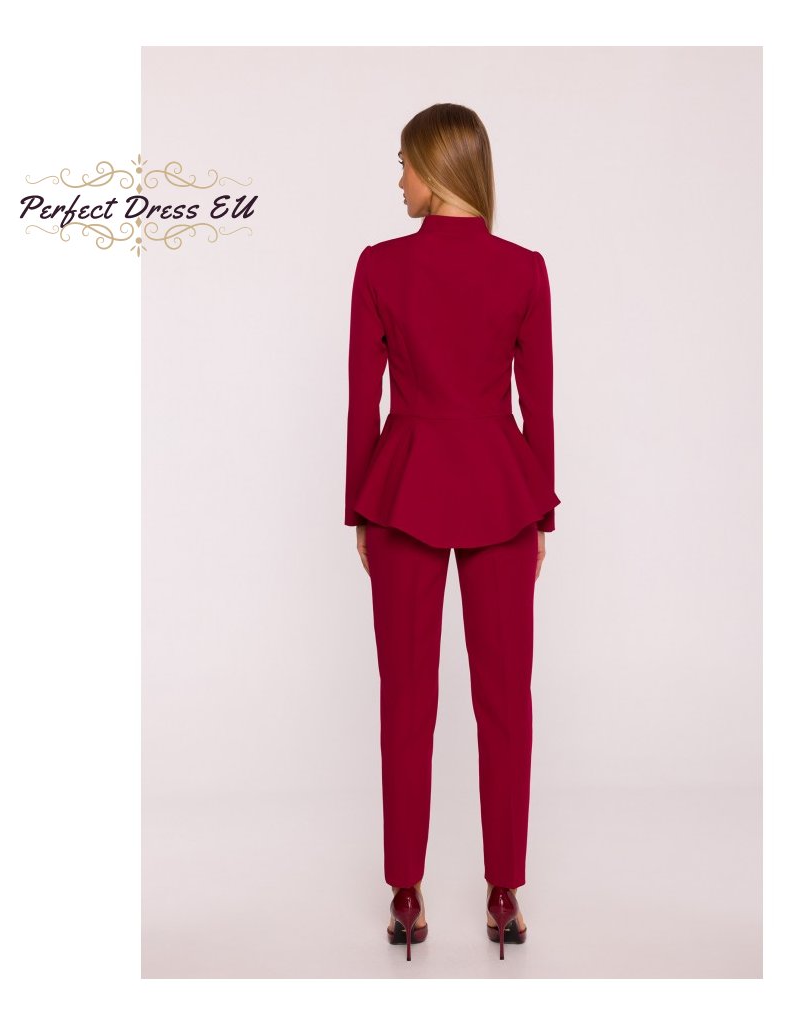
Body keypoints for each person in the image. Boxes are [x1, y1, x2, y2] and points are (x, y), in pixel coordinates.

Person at [344, 102, 560, 961]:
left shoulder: (379, 266)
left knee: (406, 700)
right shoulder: (524, 270)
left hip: (403, 490)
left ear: (435, 170)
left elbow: (363, 402)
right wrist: (540, 509)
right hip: (502, 493)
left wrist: (360, 507)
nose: (397, 180)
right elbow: (538, 403)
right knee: (506, 701)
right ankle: (504, 892)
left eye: (403, 163)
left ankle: (406, 888)